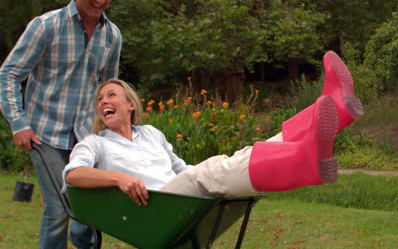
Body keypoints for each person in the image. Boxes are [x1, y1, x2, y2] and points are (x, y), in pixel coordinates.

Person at [62, 51, 364, 205]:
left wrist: (226, 167)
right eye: (100, 99)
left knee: (233, 160)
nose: (104, 101)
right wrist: (119, 179)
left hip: (178, 196)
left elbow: (183, 169)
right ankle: (307, 157)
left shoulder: (151, 134)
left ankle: (334, 110)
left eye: (111, 95)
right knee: (210, 171)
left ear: (130, 105)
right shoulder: (95, 143)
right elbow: (72, 175)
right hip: (154, 206)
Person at [0, 0, 121, 248]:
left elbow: (109, 88)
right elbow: (9, 73)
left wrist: (112, 132)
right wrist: (18, 123)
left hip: (87, 136)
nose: (101, 0)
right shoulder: (46, 26)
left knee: (88, 209)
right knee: (59, 210)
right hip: (45, 134)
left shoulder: (112, 35)